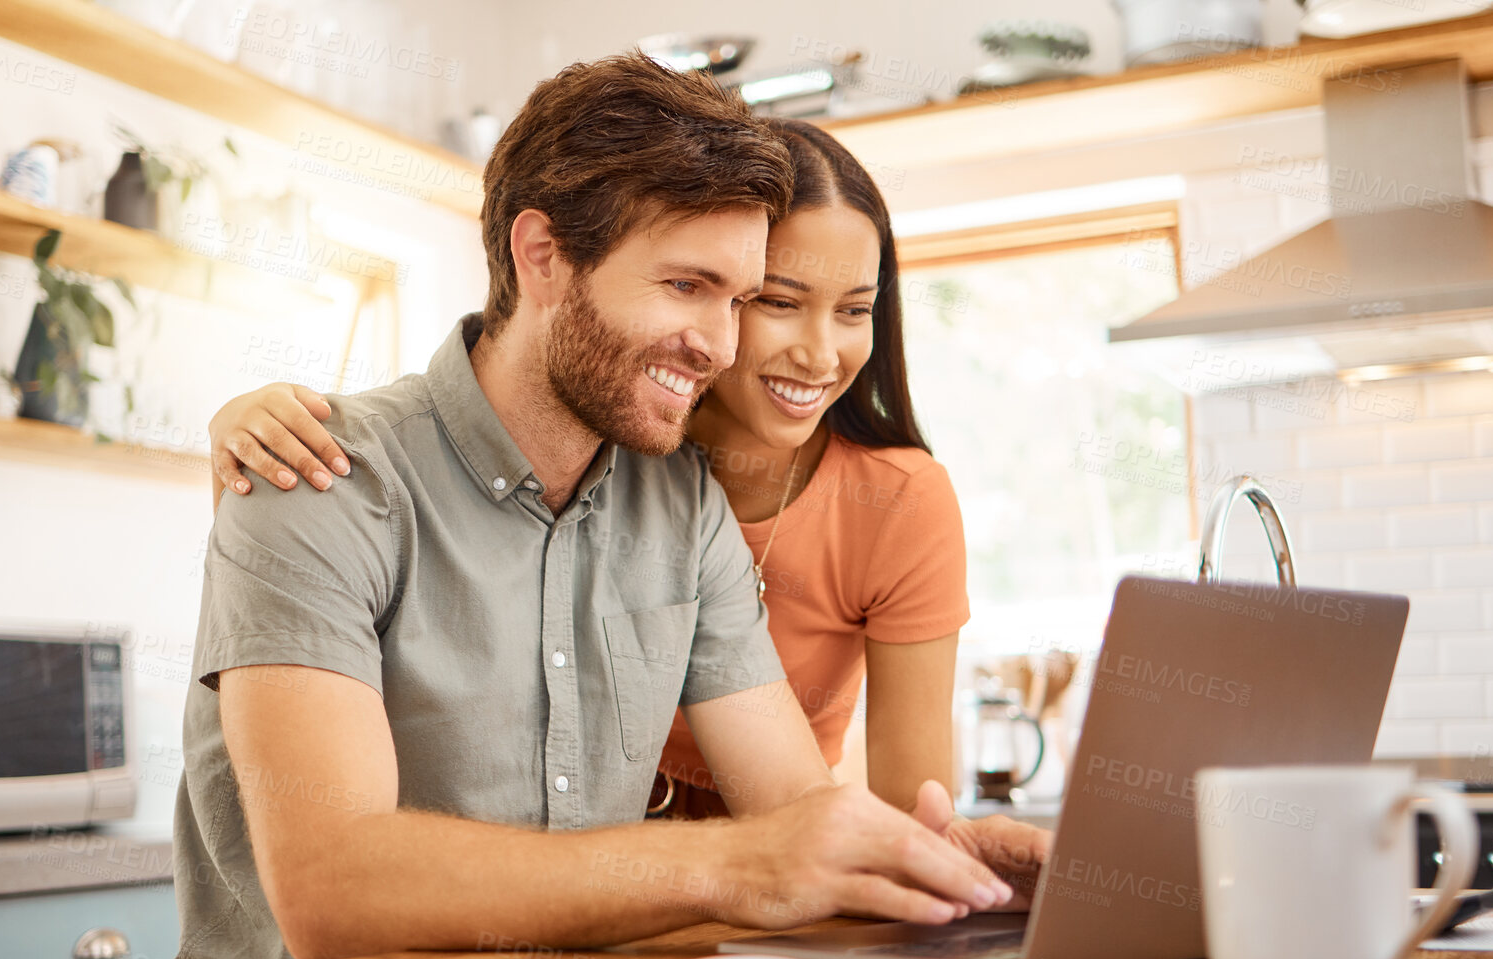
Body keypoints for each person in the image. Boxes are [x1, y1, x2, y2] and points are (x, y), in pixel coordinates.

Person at [168, 53, 1048, 959]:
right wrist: (737, 866)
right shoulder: (317, 475)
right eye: (684, 286)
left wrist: (943, 872)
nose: (719, 344)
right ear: (541, 255)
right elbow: (333, 894)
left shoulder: (681, 508)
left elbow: (794, 814)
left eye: (741, 298)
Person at [210, 120, 967, 821]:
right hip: (602, 890)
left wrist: (935, 870)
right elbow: (338, 869)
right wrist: (253, 439)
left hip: (715, 882)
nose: (815, 352)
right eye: (768, 300)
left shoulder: (703, 505)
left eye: (854, 309)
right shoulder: (584, 445)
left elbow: (865, 811)